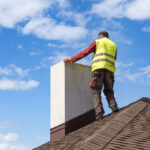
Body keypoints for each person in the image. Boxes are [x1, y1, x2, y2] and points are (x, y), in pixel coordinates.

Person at [64, 31, 119, 121]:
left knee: (96, 91)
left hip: (98, 69)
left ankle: (99, 113)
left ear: (100, 36)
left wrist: (71, 59)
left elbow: (85, 52)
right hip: (110, 70)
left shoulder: (97, 42)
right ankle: (113, 106)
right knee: (109, 90)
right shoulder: (114, 45)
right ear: (108, 37)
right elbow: (114, 58)